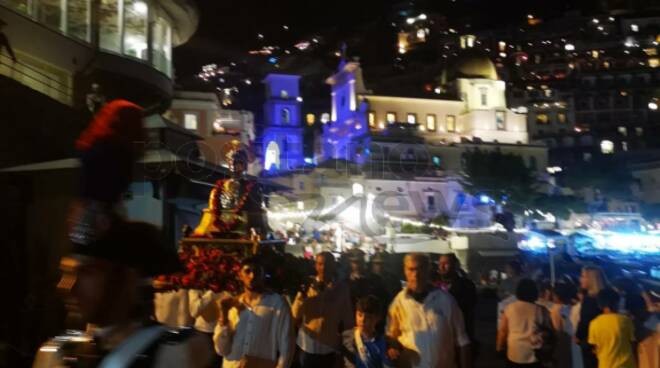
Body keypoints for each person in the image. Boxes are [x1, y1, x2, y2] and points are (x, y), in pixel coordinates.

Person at [33, 221, 213, 368]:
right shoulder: (54, 355)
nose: (67, 287)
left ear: (127, 278)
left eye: (87, 272)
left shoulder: (178, 350)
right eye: (66, 273)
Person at [386, 253, 471, 368]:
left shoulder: (446, 300)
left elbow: (462, 340)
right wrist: (393, 348)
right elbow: (391, 335)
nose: (415, 274)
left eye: (420, 269)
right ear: (405, 271)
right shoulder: (398, 303)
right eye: (411, 269)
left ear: (428, 270)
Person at [214, 257, 295, 368]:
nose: (252, 276)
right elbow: (221, 350)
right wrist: (223, 315)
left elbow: (287, 347)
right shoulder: (232, 305)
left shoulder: (277, 304)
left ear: (263, 275)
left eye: (256, 272)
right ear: (240, 275)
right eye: (247, 271)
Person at [292, 252, 354, 368]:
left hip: (329, 348)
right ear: (315, 266)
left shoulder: (342, 289)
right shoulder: (308, 286)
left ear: (334, 265)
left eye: (327, 264)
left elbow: (348, 321)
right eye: (320, 264)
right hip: (307, 346)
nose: (323, 268)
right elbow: (295, 315)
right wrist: (302, 296)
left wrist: (346, 348)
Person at [496, 278, 553, 368]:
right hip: (534, 353)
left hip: (514, 352)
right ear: (535, 292)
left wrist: (499, 347)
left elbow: (503, 331)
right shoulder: (542, 310)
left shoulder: (509, 308)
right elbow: (549, 331)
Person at [587, 288, 636, 368]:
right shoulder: (625, 320)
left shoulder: (594, 324)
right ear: (616, 303)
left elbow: (595, 347)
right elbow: (632, 342)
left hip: (605, 365)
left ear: (600, 305)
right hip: (625, 364)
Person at [341, 295, 393, 368]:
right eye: (360, 315)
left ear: (378, 318)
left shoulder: (383, 342)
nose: (362, 320)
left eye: (368, 317)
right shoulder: (347, 336)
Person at [436, 253, 478, 341]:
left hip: (460, 332)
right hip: (439, 334)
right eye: (440, 263)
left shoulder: (466, 285)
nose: (442, 266)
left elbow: (469, 308)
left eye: (446, 263)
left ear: (455, 265)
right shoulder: (434, 286)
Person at [575, 266, 608, 368]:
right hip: (606, 340)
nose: (581, 279)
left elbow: (585, 322)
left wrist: (578, 336)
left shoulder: (589, 300)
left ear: (591, 279)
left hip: (590, 341)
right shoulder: (606, 297)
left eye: (583, 276)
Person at [549, 282, 581, 368]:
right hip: (576, 341)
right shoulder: (574, 307)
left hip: (563, 342)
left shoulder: (556, 309)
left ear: (557, 295)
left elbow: (557, 328)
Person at [189, 288, 222, 366]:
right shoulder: (196, 286)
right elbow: (194, 312)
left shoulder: (227, 283)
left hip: (222, 334)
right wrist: (211, 292)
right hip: (202, 333)